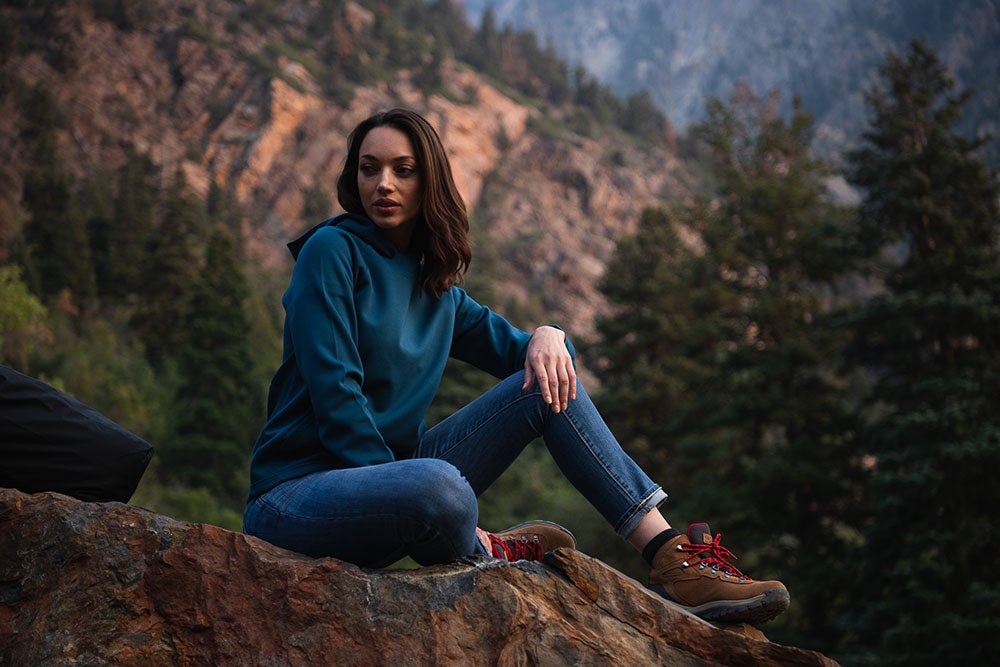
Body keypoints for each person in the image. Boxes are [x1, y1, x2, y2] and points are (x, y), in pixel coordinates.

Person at [243, 108, 789, 625]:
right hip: (299, 495)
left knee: (547, 383)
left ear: (428, 181)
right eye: (370, 168)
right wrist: (403, 480)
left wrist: (551, 336)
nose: (383, 183)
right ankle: (484, 549)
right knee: (441, 488)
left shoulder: (437, 291)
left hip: (396, 485)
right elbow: (336, 393)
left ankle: (671, 557)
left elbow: (538, 362)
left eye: (402, 170)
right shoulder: (331, 251)